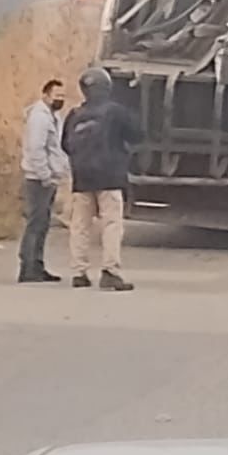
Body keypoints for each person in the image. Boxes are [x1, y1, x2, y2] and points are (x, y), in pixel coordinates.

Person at [60, 67, 138, 292]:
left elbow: (65, 145)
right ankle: (110, 271)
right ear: (107, 87)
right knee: (111, 224)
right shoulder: (116, 112)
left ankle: (79, 273)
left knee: (80, 226)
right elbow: (136, 134)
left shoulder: (74, 115)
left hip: (82, 178)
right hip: (110, 176)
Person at [17, 77, 69, 284]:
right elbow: (36, 149)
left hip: (49, 178)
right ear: (46, 95)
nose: (60, 99)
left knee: (42, 223)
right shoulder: (39, 117)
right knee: (36, 223)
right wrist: (45, 175)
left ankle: (37, 266)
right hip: (38, 179)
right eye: (56, 95)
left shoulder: (53, 116)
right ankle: (28, 267)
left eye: (63, 96)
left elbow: (55, 147)